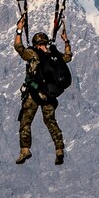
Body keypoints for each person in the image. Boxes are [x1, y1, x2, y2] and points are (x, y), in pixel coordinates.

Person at [14, 14, 72, 165]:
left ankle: (25, 149)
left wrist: (19, 30)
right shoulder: (53, 54)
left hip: (34, 93)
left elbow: (18, 48)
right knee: (50, 121)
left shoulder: (33, 54)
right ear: (45, 42)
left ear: (35, 43)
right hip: (50, 95)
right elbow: (68, 57)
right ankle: (59, 149)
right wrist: (66, 41)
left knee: (26, 121)